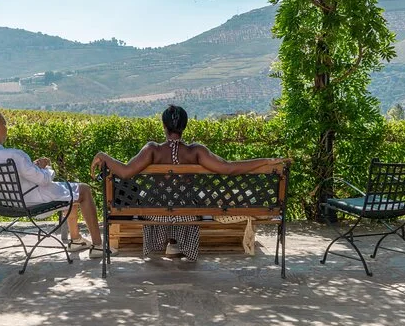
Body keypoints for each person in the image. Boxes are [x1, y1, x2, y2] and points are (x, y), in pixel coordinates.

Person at [90, 105, 285, 261]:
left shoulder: (152, 150)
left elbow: (124, 172)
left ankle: (169, 243)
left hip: (155, 213)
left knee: (157, 199)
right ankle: (176, 244)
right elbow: (228, 168)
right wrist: (265, 161)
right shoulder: (196, 151)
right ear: (184, 126)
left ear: (164, 126)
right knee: (188, 200)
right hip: (188, 213)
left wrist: (103, 156)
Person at [0, 110, 114, 259]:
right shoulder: (14, 155)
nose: (6, 129)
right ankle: (98, 246)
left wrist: (33, 166)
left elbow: (13, 175)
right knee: (83, 190)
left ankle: (76, 240)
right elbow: (44, 180)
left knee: (68, 191)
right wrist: (47, 167)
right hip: (31, 201)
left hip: (6, 202)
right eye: (4, 125)